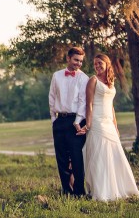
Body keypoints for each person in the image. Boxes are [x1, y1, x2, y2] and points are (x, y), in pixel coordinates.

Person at [80, 53, 139, 201]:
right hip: (97, 121)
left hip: (109, 122)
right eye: (95, 64)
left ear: (107, 64)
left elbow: (111, 105)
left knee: (114, 154)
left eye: (100, 63)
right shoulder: (92, 80)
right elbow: (89, 104)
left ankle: (119, 187)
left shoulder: (110, 82)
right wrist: (88, 124)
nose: (97, 66)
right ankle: (101, 190)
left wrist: (115, 124)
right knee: (100, 154)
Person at [49, 46, 89, 196]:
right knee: (62, 158)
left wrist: (78, 121)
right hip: (59, 121)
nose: (78, 63)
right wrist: (54, 119)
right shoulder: (56, 76)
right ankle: (66, 190)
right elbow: (52, 97)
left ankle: (79, 191)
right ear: (68, 58)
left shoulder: (83, 78)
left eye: (81, 61)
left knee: (76, 157)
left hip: (75, 121)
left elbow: (83, 102)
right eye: (76, 60)